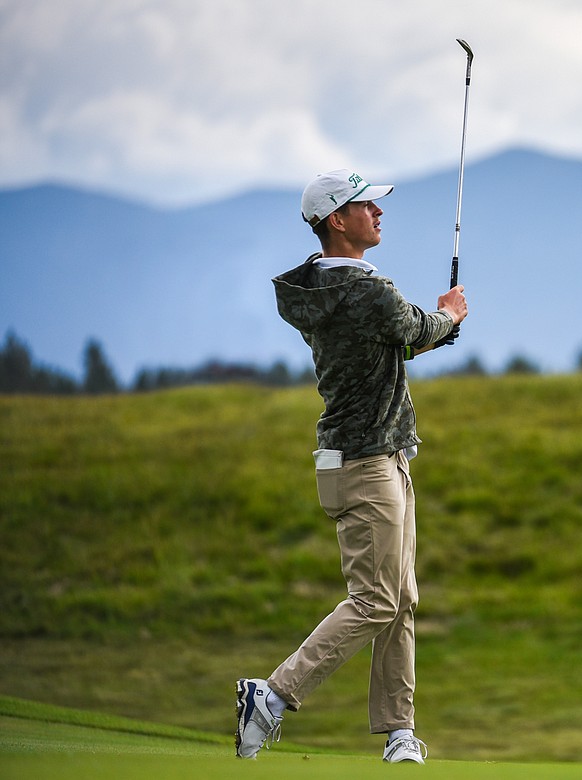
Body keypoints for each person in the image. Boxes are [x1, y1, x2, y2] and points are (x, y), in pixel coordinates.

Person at [235, 169, 468, 764]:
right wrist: (452, 314)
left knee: (401, 596)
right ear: (337, 221)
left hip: (374, 459)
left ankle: (398, 732)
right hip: (367, 462)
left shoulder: (326, 289)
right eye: (367, 206)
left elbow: (400, 340)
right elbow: (416, 327)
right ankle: (274, 693)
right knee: (377, 599)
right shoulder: (367, 290)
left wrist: (432, 329)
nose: (379, 214)